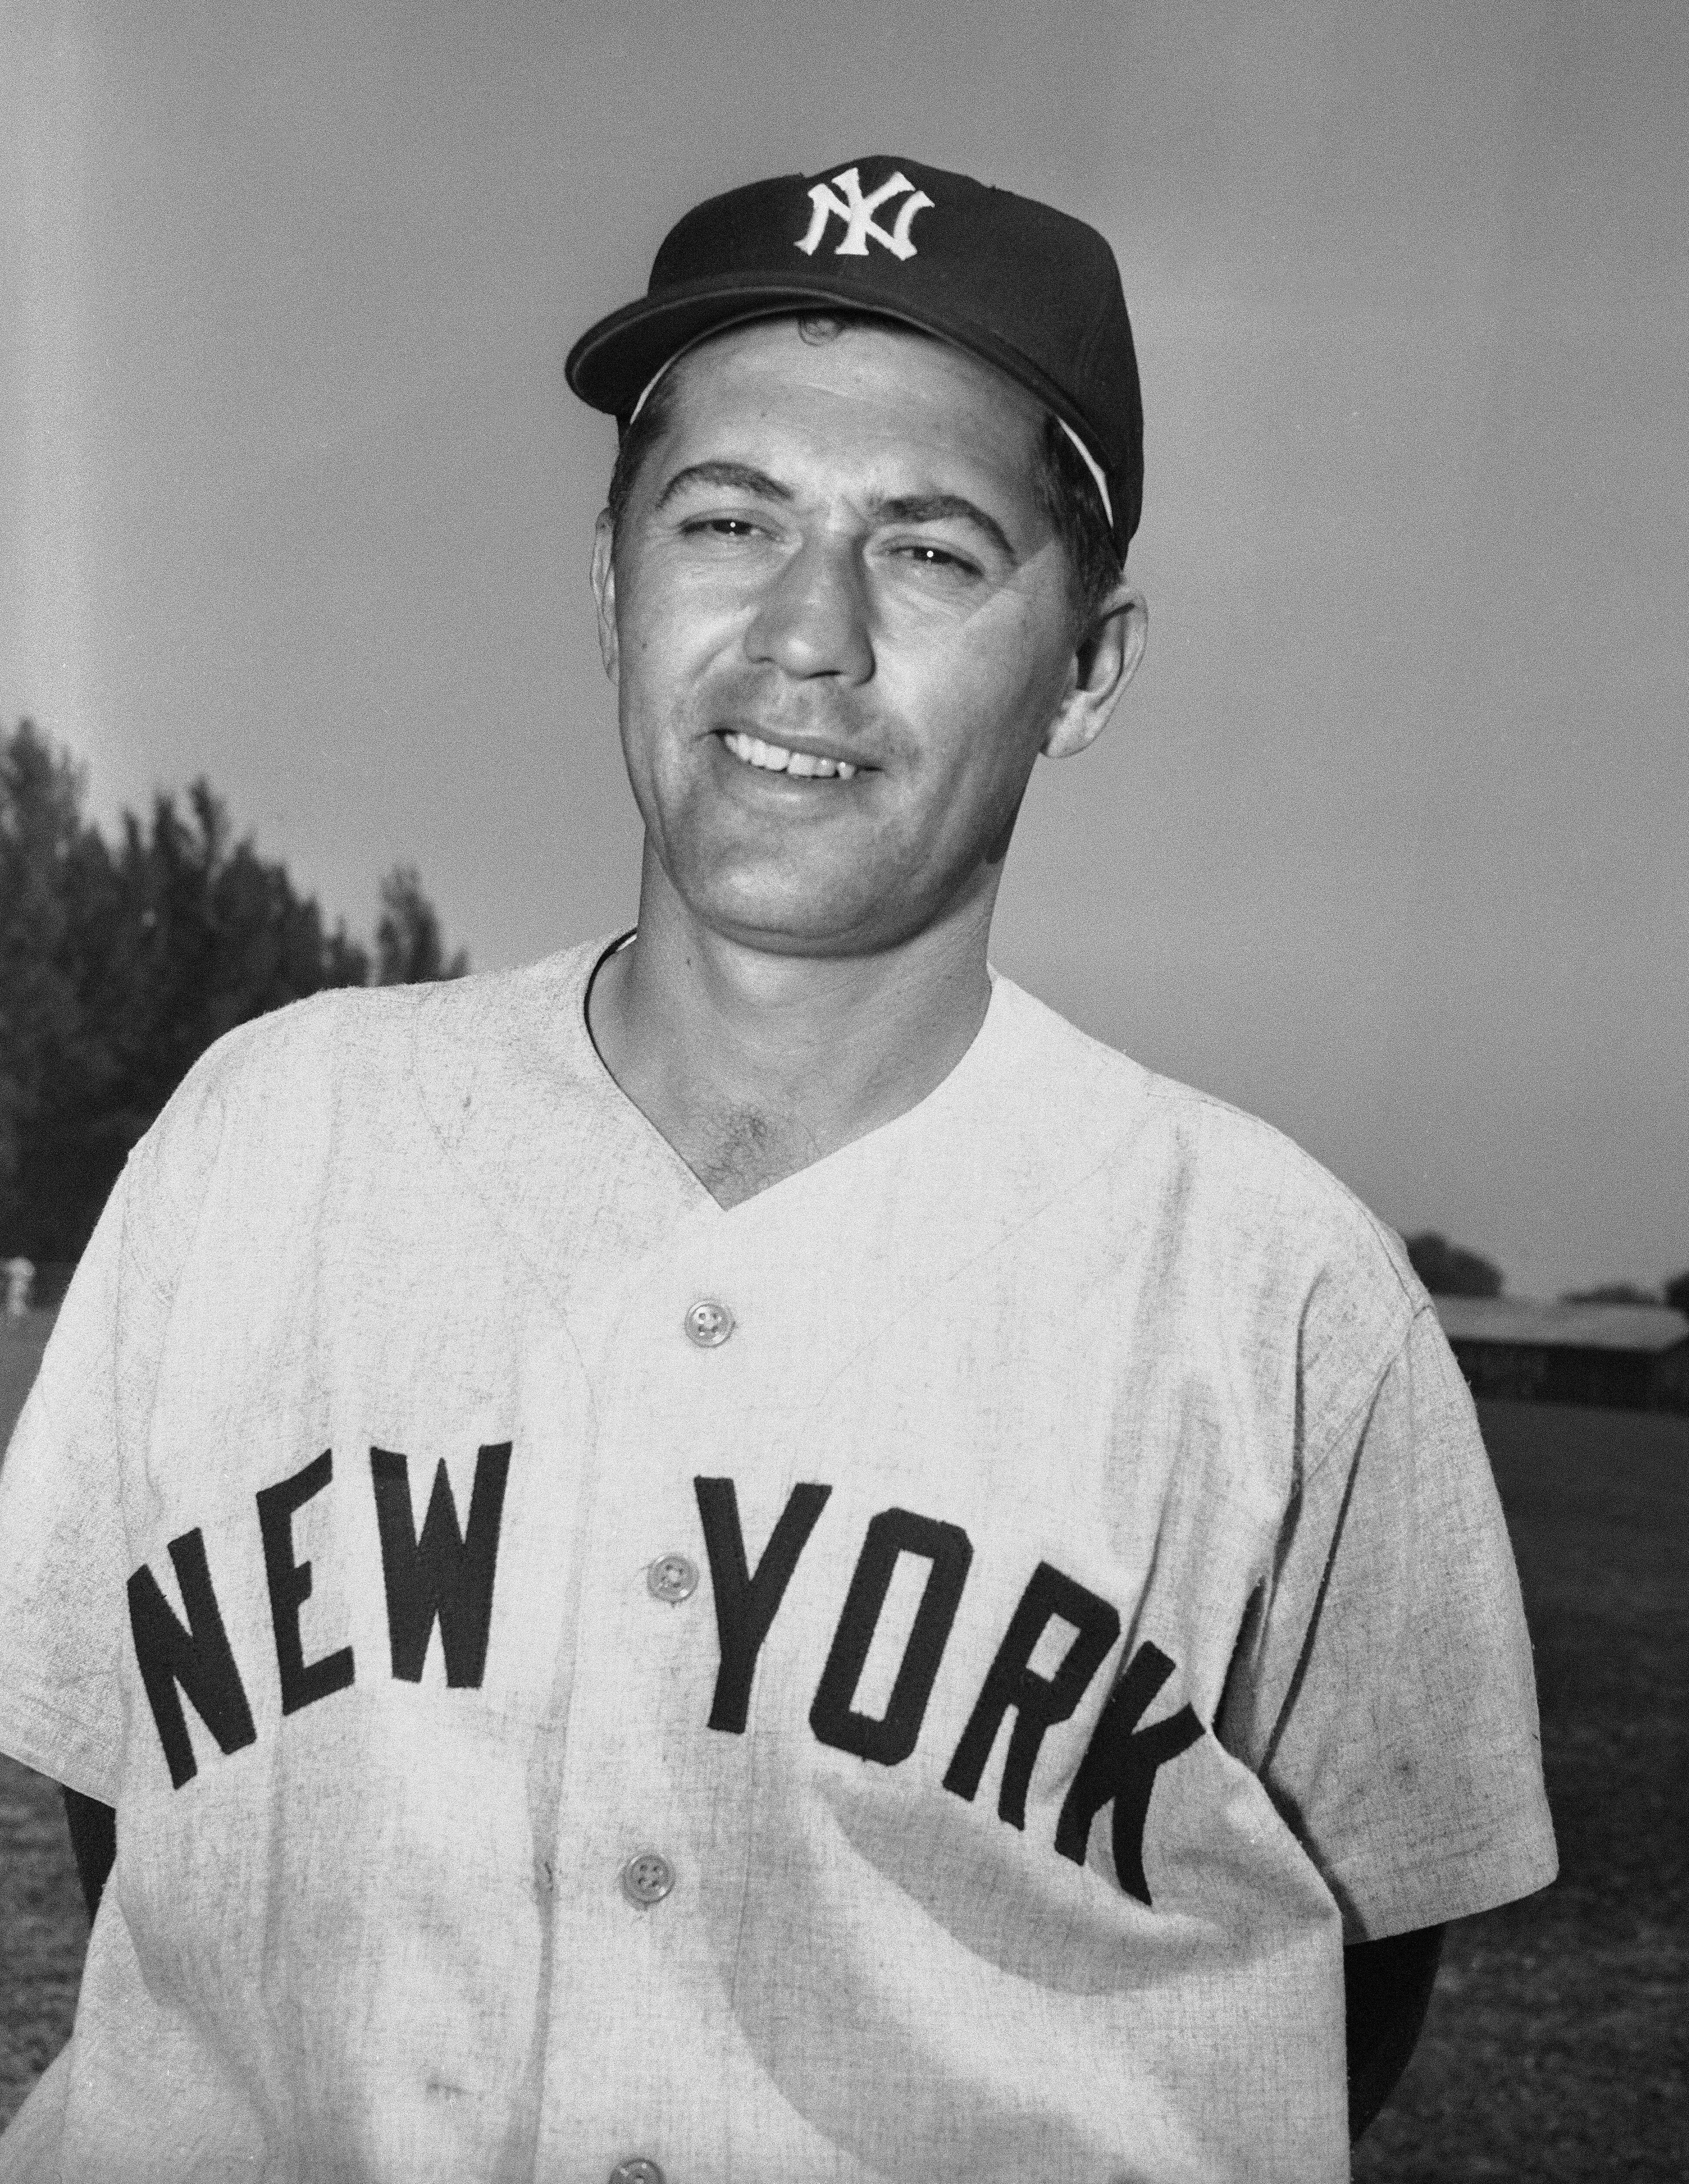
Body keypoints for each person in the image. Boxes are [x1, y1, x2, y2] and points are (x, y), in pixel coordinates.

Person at [0, 155, 1555, 2183]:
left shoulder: (1275, 1291)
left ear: (1086, 669)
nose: (805, 634)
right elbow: (148, 1824)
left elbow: (1345, 1978)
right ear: (611, 582)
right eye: (727, 522)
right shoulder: (265, 1137)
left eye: (928, 552)